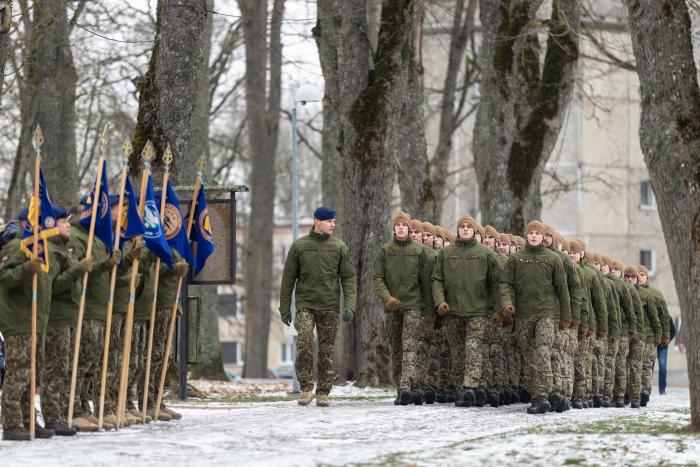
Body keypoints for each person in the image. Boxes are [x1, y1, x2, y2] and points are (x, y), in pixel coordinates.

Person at [279, 206, 356, 407]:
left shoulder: (339, 247)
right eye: (329, 221)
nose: (333, 224)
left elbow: (348, 278)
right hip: (306, 305)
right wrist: (285, 308)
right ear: (317, 221)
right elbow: (288, 279)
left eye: (334, 220)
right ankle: (305, 388)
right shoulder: (299, 246)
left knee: (326, 350)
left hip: (330, 306)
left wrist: (349, 305)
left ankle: (323, 392)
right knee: (304, 342)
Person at [501, 220, 570, 414]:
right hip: (524, 314)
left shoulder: (553, 259)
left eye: (537, 233)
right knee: (529, 354)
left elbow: (562, 289)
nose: (533, 236)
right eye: (530, 233)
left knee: (543, 351)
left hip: (547, 313)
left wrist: (566, 316)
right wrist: (507, 304)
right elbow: (506, 284)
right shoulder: (516, 259)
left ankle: (542, 396)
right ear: (526, 236)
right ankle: (547, 393)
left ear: (542, 236)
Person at [432, 214, 501, 408]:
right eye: (461, 226)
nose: (464, 229)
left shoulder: (486, 254)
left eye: (468, 227)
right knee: (457, 351)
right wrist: (440, 301)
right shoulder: (445, 254)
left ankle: (470, 386)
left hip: (478, 311)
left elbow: (497, 283)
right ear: (457, 230)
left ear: (474, 231)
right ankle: (462, 389)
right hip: (453, 311)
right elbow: (436, 279)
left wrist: (497, 309)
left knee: (473, 348)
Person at [0, 210, 54, 440]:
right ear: (26, 223)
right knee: (17, 373)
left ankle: (28, 419)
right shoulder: (14, 248)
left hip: (33, 321)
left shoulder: (37, 248)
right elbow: (5, 278)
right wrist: (26, 269)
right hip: (17, 321)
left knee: (31, 375)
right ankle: (11, 423)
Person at [42, 207, 91, 436]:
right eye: (63, 222)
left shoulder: (64, 250)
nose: (68, 225)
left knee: (63, 368)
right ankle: (53, 417)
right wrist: (77, 271)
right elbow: (54, 286)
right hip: (56, 318)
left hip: (68, 317)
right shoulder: (50, 252)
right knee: (55, 369)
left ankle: (59, 415)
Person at [374, 213, 431, 405]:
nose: (400, 228)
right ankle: (400, 388)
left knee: (409, 347)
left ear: (408, 229)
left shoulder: (419, 250)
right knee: (396, 349)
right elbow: (378, 278)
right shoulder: (385, 250)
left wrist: (429, 309)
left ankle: (407, 386)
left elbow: (426, 282)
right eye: (397, 225)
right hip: (392, 307)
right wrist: (387, 298)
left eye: (403, 225)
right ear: (393, 228)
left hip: (413, 306)